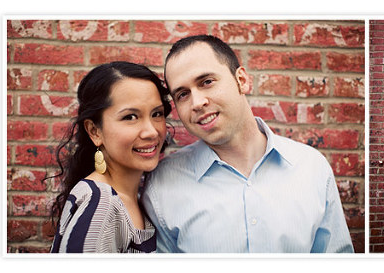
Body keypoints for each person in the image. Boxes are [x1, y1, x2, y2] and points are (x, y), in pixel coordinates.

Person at [141, 35, 353, 253]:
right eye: (183, 94)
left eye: (206, 82)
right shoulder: (163, 184)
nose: (197, 103)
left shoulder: (311, 168)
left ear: (242, 80)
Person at [49, 61, 172, 253]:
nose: (151, 131)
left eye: (157, 114)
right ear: (95, 131)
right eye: (130, 117)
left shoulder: (132, 198)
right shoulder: (101, 205)